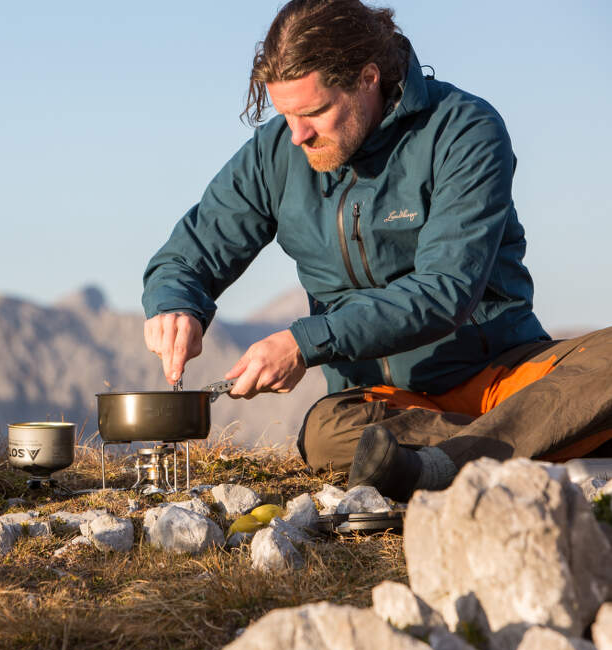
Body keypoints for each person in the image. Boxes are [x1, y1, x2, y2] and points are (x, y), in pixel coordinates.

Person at [140, 0, 612, 501]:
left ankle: (437, 463)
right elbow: (187, 255)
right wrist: (175, 303)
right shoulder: (275, 152)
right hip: (385, 406)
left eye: (314, 112)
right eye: (286, 114)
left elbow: (444, 290)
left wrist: (305, 342)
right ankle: (546, 438)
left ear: (368, 78)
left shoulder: (465, 130)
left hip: (500, 378)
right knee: (328, 435)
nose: (297, 134)